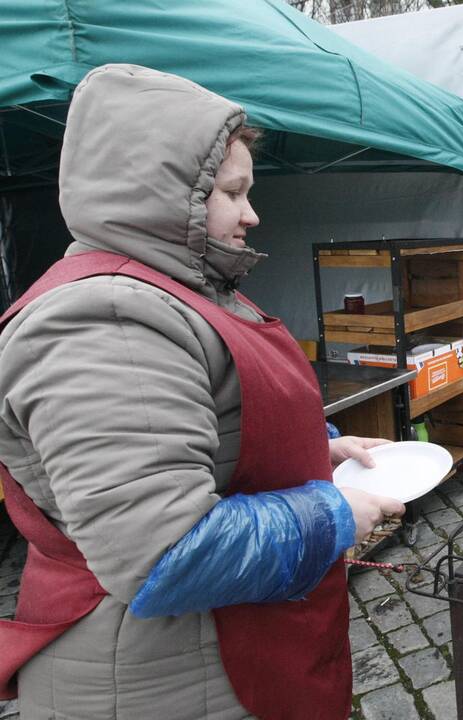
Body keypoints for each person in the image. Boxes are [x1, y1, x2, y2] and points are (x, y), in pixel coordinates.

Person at [0, 64, 404, 719]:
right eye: (233, 192)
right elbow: (163, 552)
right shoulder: (102, 319)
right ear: (163, 192)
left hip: (213, 657)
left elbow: (209, 429)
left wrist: (312, 452)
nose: (252, 213)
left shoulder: (174, 290)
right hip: (155, 681)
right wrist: (336, 514)